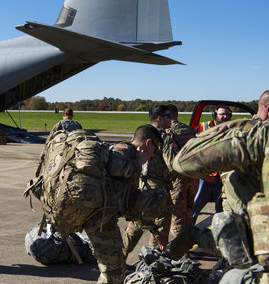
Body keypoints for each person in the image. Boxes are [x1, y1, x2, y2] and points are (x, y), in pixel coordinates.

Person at [171, 108, 269, 283]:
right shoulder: (265, 133)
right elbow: (184, 160)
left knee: (240, 244)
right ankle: (195, 237)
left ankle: (198, 237)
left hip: (251, 203)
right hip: (217, 185)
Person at [84, 124, 168, 284]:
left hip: (103, 217)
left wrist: (154, 230)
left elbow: (131, 206)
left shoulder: (131, 158)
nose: (152, 156)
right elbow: (115, 168)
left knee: (114, 268)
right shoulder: (124, 150)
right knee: (114, 271)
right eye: (155, 150)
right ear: (148, 143)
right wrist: (137, 164)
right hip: (99, 217)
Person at [123, 105, 177, 262]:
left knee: (136, 224)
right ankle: (153, 262)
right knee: (159, 229)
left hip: (141, 185)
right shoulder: (165, 138)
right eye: (168, 116)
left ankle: (122, 256)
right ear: (159, 118)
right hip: (157, 189)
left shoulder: (142, 133)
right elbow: (172, 164)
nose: (171, 119)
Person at [192, 106, 232, 222]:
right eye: (221, 114)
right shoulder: (202, 127)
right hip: (204, 177)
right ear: (215, 115)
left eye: (227, 114)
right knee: (194, 208)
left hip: (221, 178)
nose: (224, 117)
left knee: (222, 210)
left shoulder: (231, 128)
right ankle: (187, 234)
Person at [166, 104, 196, 237]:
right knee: (189, 212)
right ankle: (188, 244)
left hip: (177, 179)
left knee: (177, 216)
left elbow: (170, 162)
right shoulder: (189, 130)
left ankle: (180, 254)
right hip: (192, 177)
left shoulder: (168, 132)